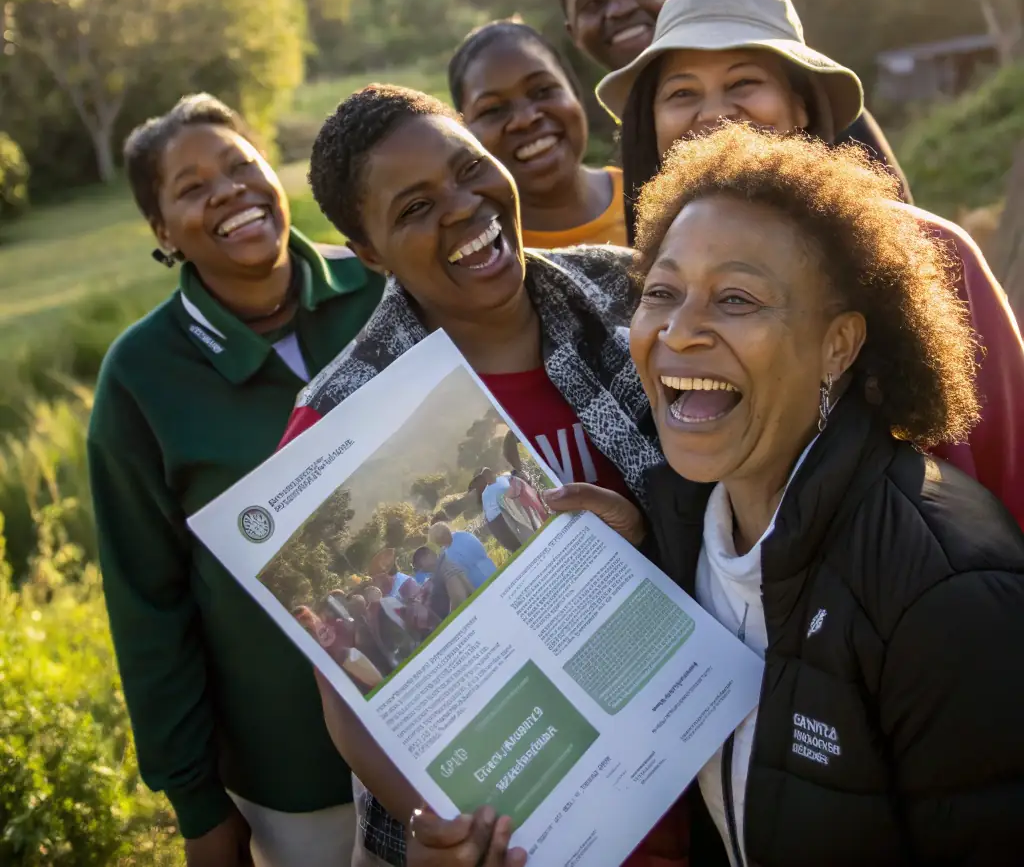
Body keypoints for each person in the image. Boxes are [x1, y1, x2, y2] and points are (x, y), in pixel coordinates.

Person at [413, 126, 1024, 866]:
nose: (679, 330)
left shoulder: (952, 591)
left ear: (839, 344)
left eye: (735, 298)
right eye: (661, 292)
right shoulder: (674, 526)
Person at [277, 84, 680, 867]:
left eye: (468, 168)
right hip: (532, 831)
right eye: (415, 208)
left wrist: (647, 534)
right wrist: (442, 824)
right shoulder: (334, 423)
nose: (464, 207)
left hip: (708, 771)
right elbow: (350, 700)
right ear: (368, 254)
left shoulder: (629, 294)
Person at [597, 0, 1024, 526]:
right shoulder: (656, 287)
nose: (714, 113)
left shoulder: (928, 249)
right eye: (682, 92)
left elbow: (1008, 460)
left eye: (744, 82)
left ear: (801, 105)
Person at [87, 93, 385, 867]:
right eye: (190, 188)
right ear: (162, 232)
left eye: (240, 164)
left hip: (460, 708)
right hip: (295, 773)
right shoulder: (141, 377)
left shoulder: (382, 287)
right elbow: (148, 606)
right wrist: (196, 803)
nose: (227, 189)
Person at [558, 0, 911, 197]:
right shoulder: (644, 163)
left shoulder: (820, 103)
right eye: (593, 3)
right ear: (573, 33)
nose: (620, 9)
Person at [449, 18, 626, 247]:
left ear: (575, 92)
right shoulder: (481, 251)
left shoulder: (651, 197)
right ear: (465, 134)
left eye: (543, 90)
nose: (525, 119)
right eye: (493, 109)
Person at [426, 522, 497, 592]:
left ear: (439, 542)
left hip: (479, 583)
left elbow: (461, 575)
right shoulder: (464, 535)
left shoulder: (449, 555)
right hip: (490, 569)